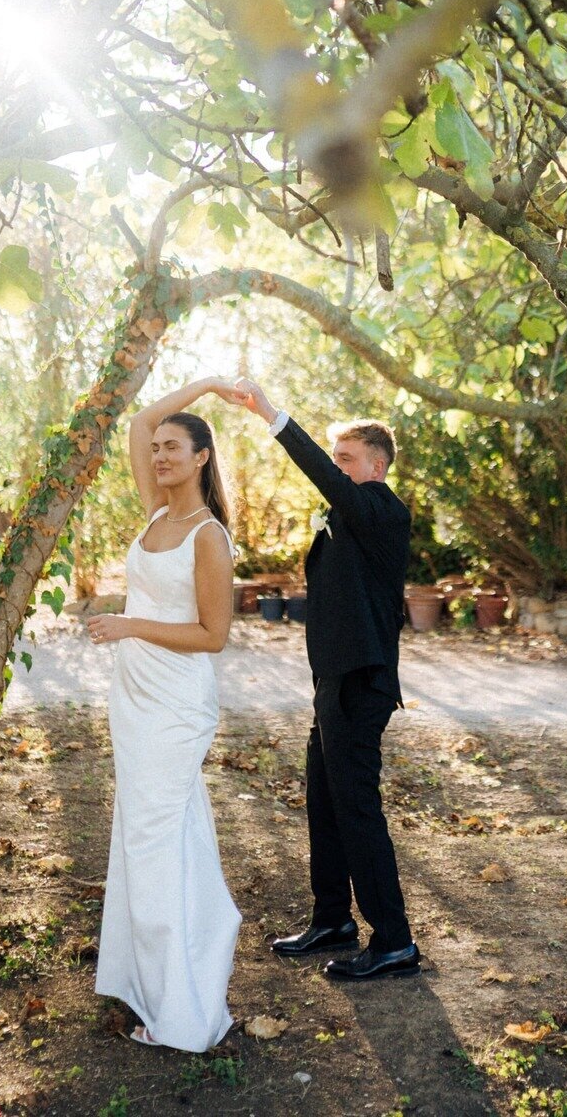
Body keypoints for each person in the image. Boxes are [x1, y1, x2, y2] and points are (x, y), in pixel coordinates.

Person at [232, 377, 419, 981]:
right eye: (336, 458)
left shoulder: (382, 511)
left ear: (376, 467)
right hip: (333, 682)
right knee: (324, 800)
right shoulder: (354, 514)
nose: (337, 469)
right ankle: (332, 918)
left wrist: (270, 413)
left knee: (358, 807)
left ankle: (393, 942)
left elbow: (324, 476)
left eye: (346, 459)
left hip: (360, 685)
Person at [86, 377, 243, 1050]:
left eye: (174, 447)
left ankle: (182, 1011)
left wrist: (129, 626)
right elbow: (140, 418)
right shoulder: (157, 515)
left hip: (177, 703)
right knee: (161, 836)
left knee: (152, 840)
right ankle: (152, 981)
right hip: (136, 699)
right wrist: (206, 384)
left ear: (202, 457)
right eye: (156, 450)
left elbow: (213, 635)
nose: (158, 456)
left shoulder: (208, 537)